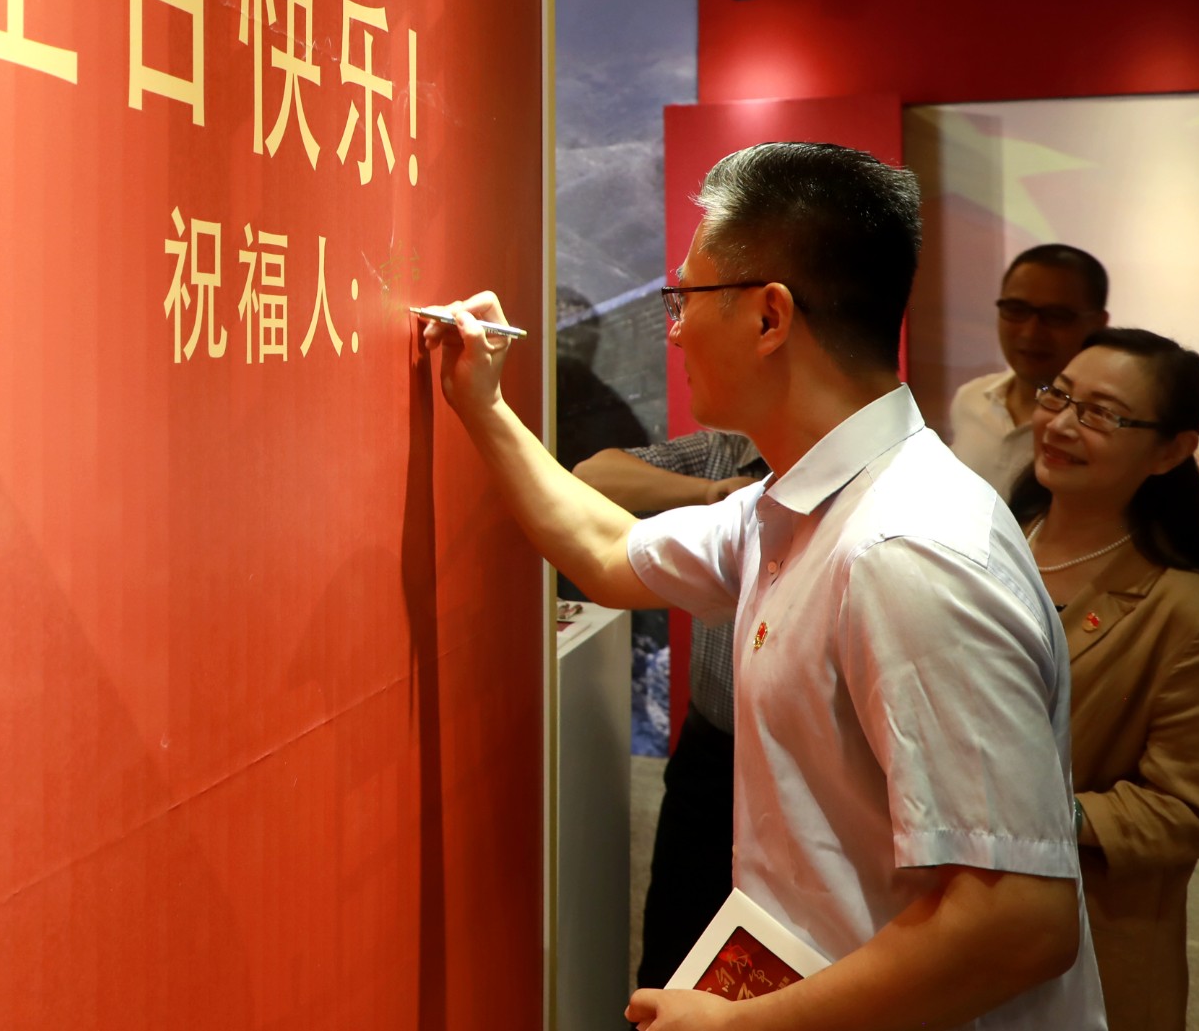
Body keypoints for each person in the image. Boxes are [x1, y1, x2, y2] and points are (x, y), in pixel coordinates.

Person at [422, 141, 1103, 1030]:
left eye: (685, 298)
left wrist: (742, 1024)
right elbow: (608, 548)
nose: (673, 330)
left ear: (770, 316)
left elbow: (1018, 921)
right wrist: (483, 403)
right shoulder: (797, 501)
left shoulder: (909, 548)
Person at [1007, 328, 1199, 1031]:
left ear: (1171, 450)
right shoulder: (987, 539)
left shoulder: (1191, 615)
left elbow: (1191, 809)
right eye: (1059, 396)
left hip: (1087, 945)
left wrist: (1030, 814)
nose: (1062, 424)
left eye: (1102, 414)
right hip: (938, 919)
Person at [573, 432, 768, 989]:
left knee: (780, 955)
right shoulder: (724, 450)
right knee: (674, 951)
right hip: (712, 751)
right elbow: (592, 476)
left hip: (799, 768)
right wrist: (708, 493)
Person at [950, 245, 1109, 498]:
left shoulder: (1103, 426)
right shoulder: (970, 399)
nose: (1030, 332)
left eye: (1056, 316)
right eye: (1016, 310)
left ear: (1099, 324)